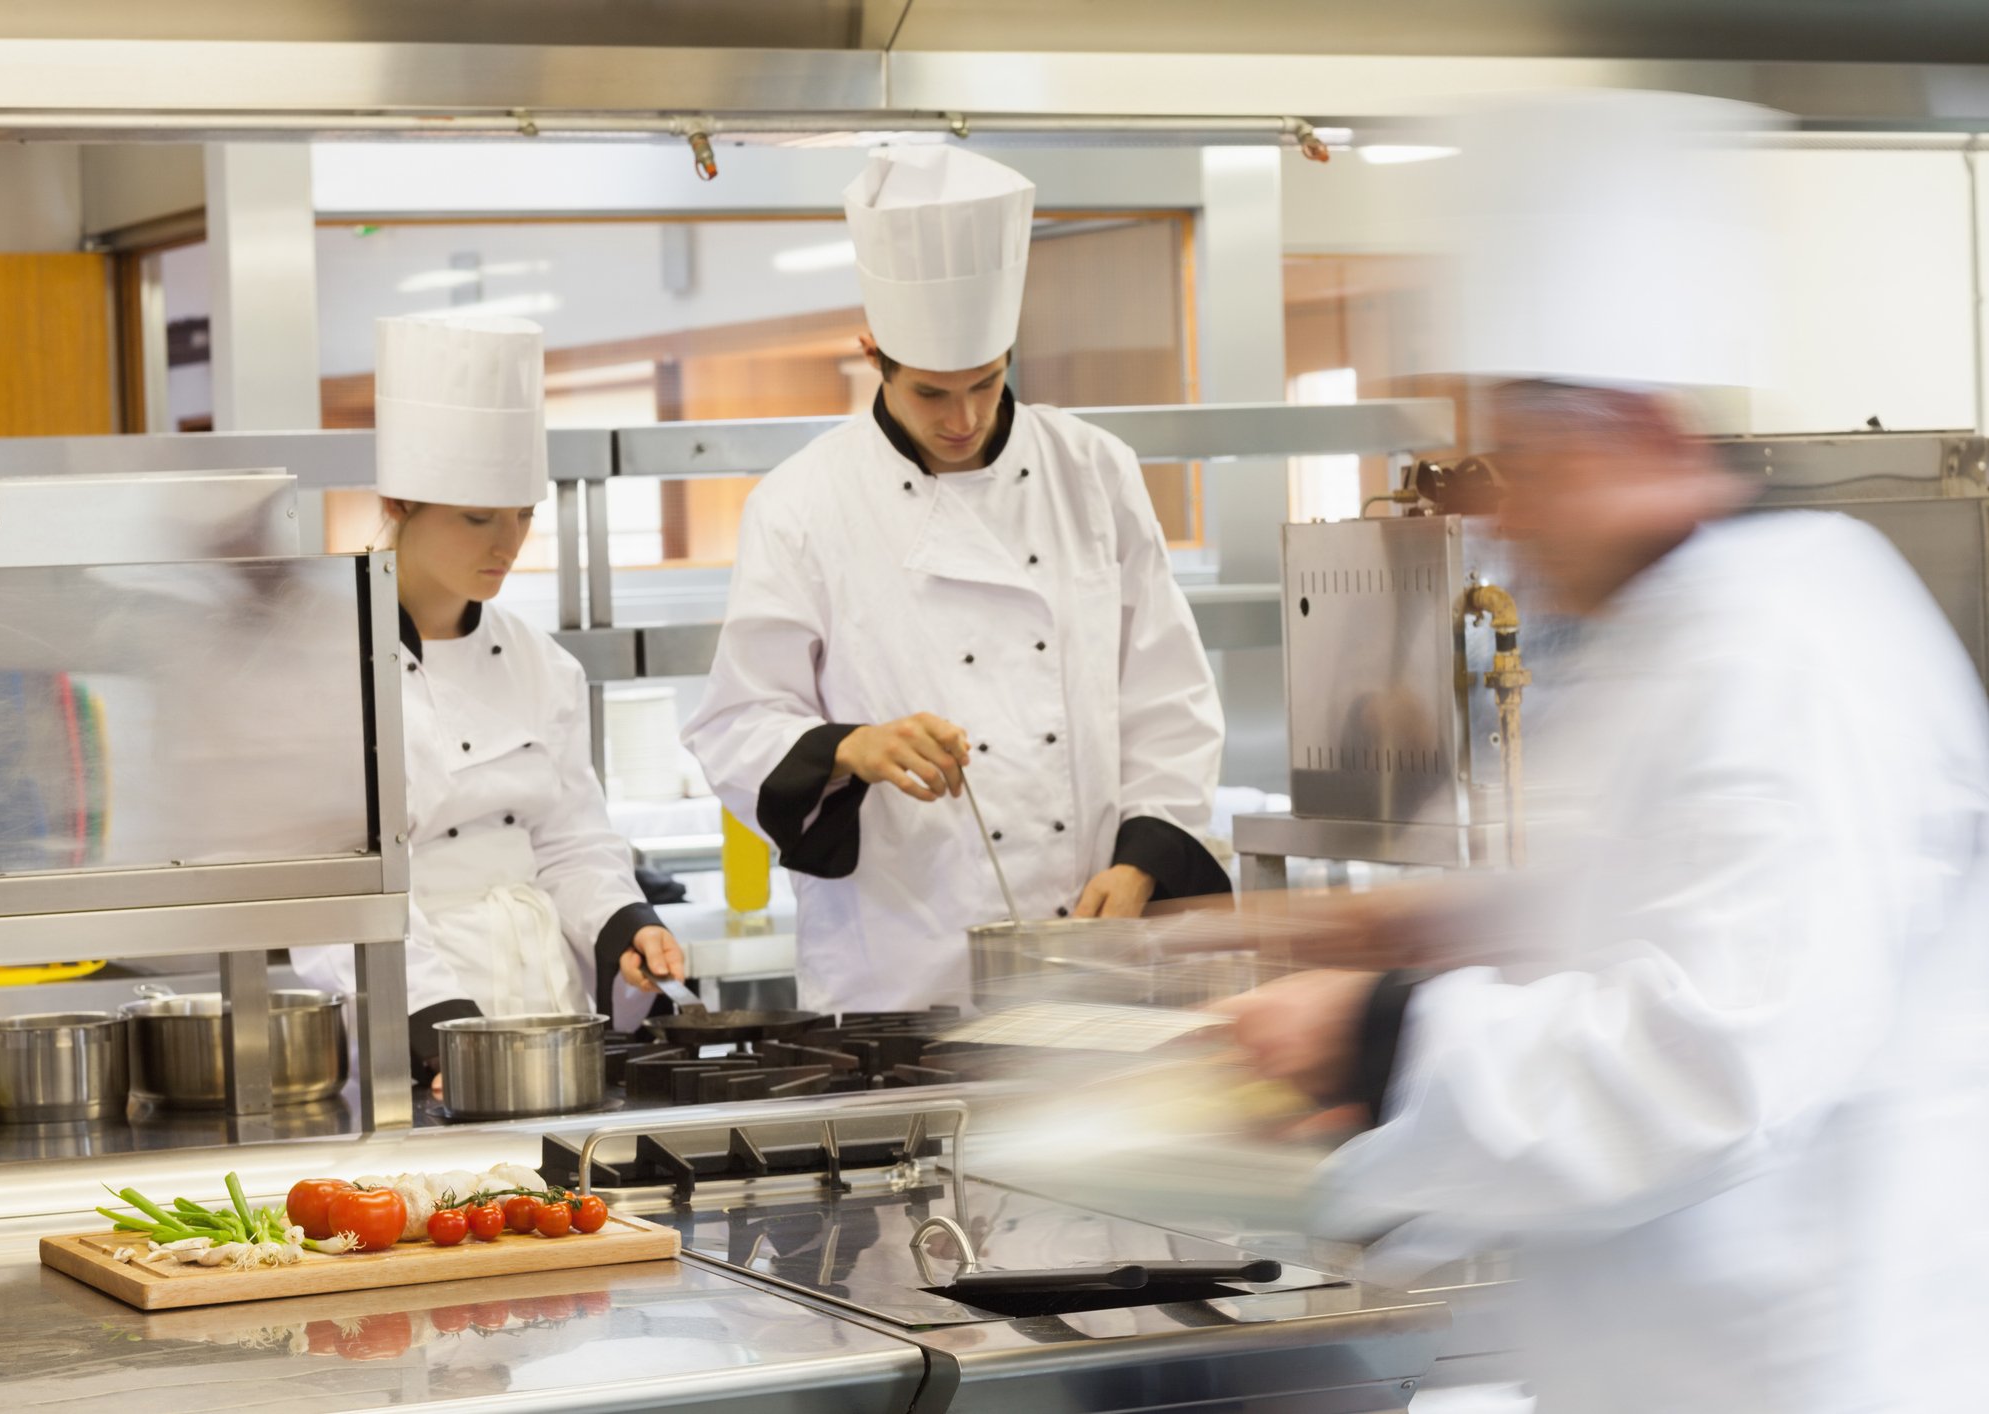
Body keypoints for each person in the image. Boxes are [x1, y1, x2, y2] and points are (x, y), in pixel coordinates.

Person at [1219, 92, 1989, 1413]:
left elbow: (1717, 1055)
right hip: (1649, 1356)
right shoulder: (1647, 634)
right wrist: (1419, 927)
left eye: (1522, 459)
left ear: (1638, 434)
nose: (1500, 511)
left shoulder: (1788, 641)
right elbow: (1628, 904)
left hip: (1806, 1364)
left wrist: (1381, 1035)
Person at [682, 145, 1229, 1014]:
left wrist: (1139, 864)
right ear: (874, 354)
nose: (964, 419)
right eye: (933, 393)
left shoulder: (1094, 472)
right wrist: (849, 749)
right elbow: (737, 723)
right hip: (902, 964)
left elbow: (1166, 697)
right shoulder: (803, 502)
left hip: (1092, 945)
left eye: (984, 382)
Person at [293, 315, 684, 1083]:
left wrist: (623, 927)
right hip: (412, 1037)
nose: (507, 544)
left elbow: (572, 842)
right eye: (477, 519)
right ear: (400, 501)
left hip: (550, 1015)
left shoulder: (542, 666)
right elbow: (337, 893)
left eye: (522, 515)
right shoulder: (320, 671)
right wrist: (440, 1032)